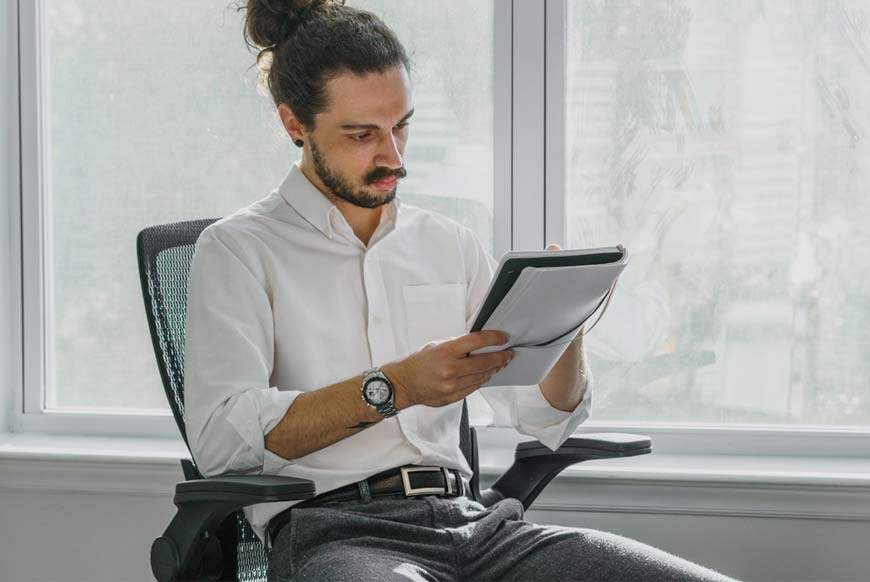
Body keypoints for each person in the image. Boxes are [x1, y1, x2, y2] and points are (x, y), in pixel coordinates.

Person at [184, 1, 740, 580]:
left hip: (478, 525)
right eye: (362, 134)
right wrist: (398, 385)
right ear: (294, 123)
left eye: (401, 126)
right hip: (339, 536)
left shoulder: (448, 243)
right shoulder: (239, 250)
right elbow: (225, 442)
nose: (393, 156)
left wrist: (564, 327)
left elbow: (541, 416)